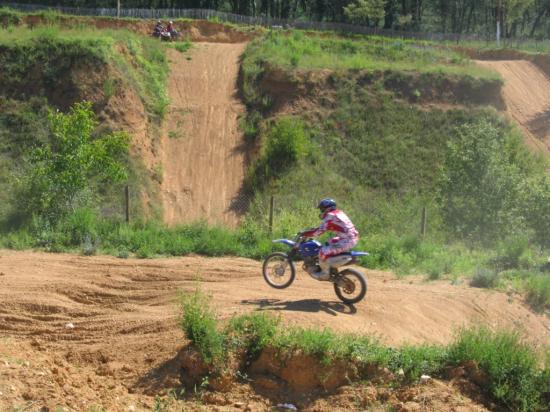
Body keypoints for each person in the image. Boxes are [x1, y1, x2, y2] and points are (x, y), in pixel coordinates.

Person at [300, 198, 359, 281]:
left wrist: (305, 233)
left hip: (347, 240)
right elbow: (327, 226)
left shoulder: (330, 216)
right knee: (329, 242)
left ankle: (325, 273)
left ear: (326, 208)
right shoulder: (338, 213)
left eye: (322, 209)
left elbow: (319, 232)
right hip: (350, 237)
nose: (321, 211)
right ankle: (331, 267)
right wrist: (313, 230)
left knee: (322, 252)